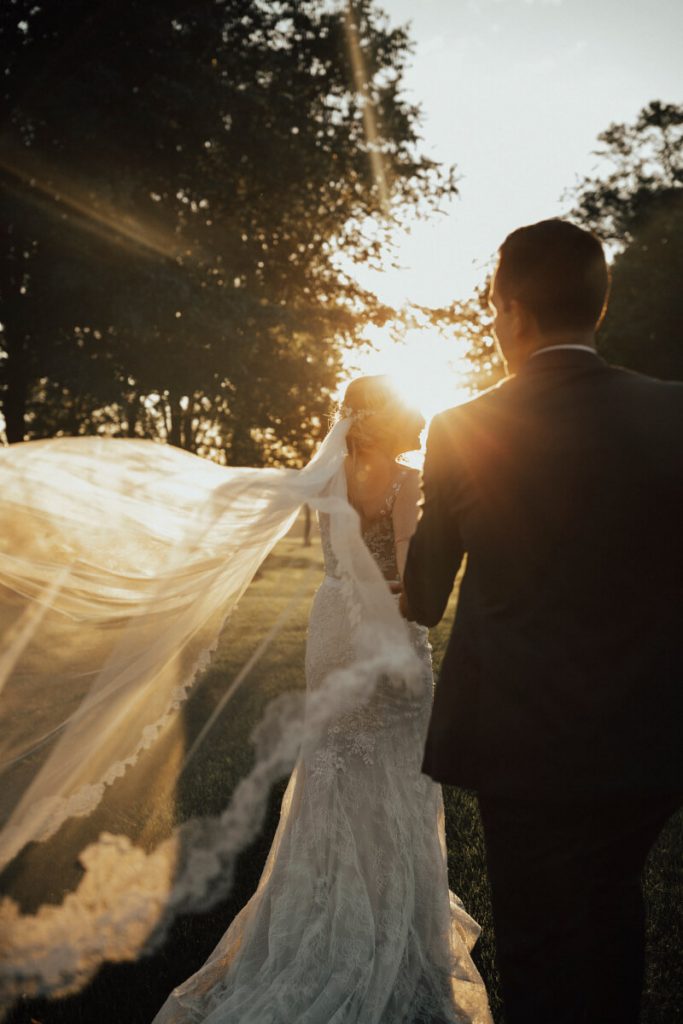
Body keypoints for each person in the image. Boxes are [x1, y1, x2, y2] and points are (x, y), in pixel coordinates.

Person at [402, 218, 683, 1024]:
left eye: (493, 309)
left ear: (512, 311)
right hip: (647, 735)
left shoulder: (460, 427)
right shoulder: (671, 411)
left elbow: (424, 596)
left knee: (536, 942)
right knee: (611, 908)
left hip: (524, 740)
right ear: (595, 308)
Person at [151, 376, 493, 1023]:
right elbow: (406, 572)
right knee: (392, 770)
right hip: (383, 629)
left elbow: (340, 563)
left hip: (332, 621)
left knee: (331, 768)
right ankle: (392, 923)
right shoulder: (404, 481)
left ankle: (319, 905)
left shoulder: (330, 481)